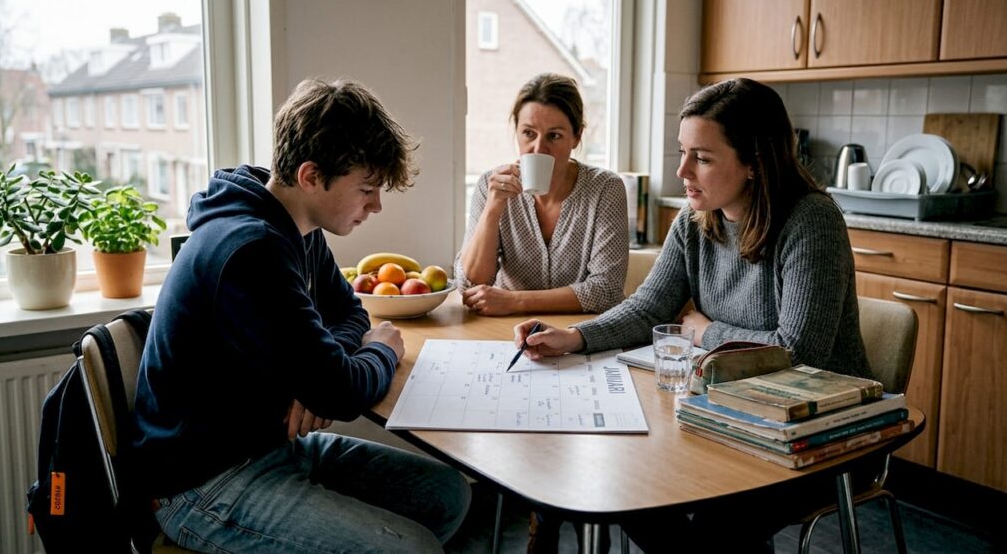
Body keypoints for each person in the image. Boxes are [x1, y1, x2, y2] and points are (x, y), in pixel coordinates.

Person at [512, 78, 871, 550]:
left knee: (710, 527)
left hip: (820, 432)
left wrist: (706, 332)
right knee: (627, 482)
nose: (682, 170)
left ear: (755, 162)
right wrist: (575, 337)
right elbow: (648, 308)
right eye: (682, 152)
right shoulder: (696, 218)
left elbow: (798, 351)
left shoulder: (810, 222)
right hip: (731, 415)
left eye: (701, 158)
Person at [130, 78, 470, 552]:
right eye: (367, 189)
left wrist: (320, 375)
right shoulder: (251, 249)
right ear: (311, 176)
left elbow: (349, 312)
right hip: (204, 481)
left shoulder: (298, 227)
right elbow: (344, 388)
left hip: (270, 445)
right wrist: (378, 350)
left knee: (446, 494)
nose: (375, 205)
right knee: (411, 549)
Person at [455, 72, 629, 316]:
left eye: (554, 136)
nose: (539, 148)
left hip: (578, 334)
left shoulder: (605, 188)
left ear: (577, 137)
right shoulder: (490, 185)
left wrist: (514, 302)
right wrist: (493, 208)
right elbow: (470, 286)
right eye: (528, 133)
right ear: (516, 131)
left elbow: (606, 291)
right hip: (505, 332)